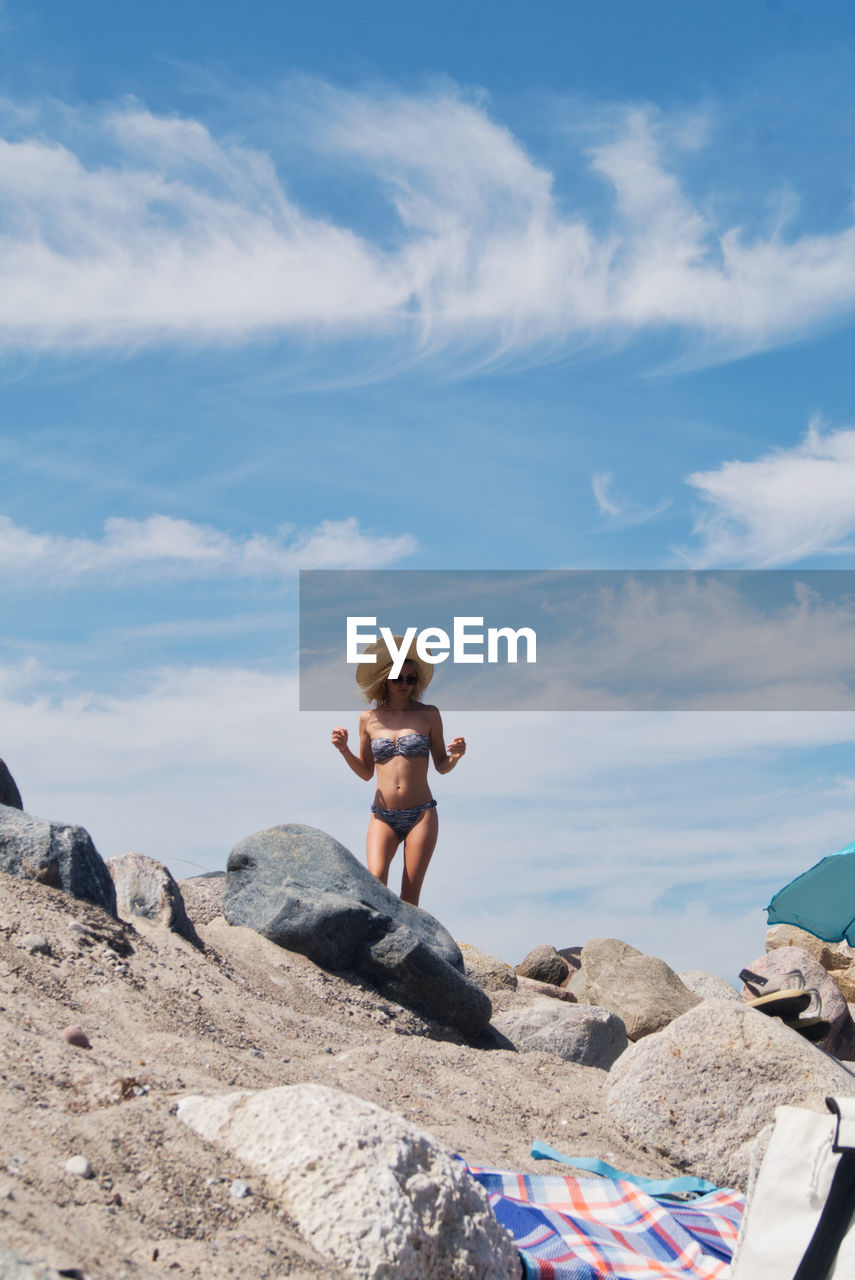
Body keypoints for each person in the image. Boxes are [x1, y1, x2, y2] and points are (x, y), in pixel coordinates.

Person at [331, 636, 465, 907]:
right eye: (398, 678)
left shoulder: (429, 715)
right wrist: (345, 751)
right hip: (382, 816)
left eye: (410, 679)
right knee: (375, 882)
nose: (404, 684)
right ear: (385, 680)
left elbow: (441, 765)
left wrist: (456, 757)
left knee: (409, 897)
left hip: (421, 814)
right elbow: (367, 772)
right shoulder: (368, 719)